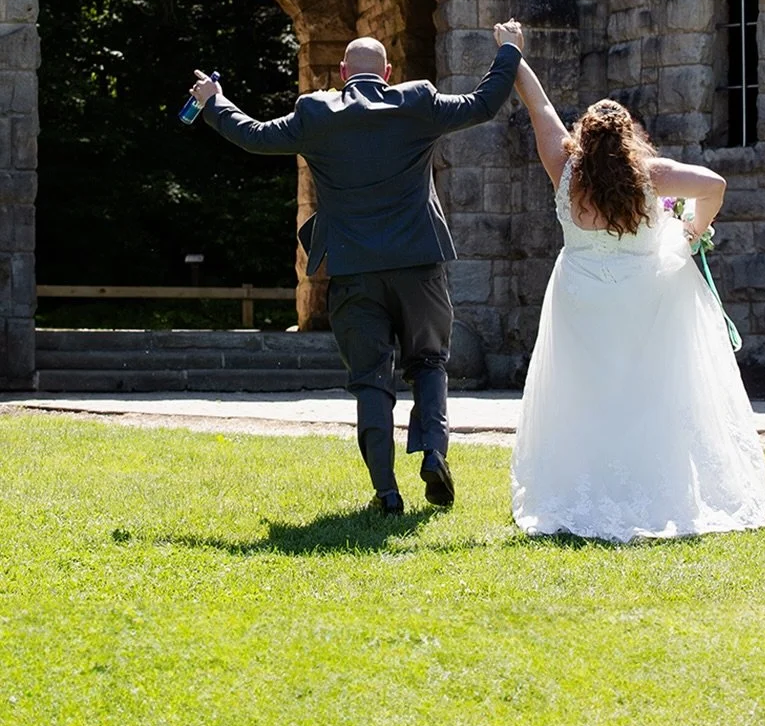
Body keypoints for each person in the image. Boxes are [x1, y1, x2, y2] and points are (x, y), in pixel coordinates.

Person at [186, 28, 523, 515]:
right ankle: (432, 453)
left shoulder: (315, 113)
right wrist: (509, 49)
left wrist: (215, 102)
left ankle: (386, 492)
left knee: (370, 379)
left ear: (343, 75)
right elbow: (484, 102)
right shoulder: (418, 102)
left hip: (354, 270)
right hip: (418, 267)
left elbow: (253, 135)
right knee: (428, 363)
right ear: (387, 75)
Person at [503, 24, 765, 542]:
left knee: (585, 395)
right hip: (646, 299)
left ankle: (586, 488)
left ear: (582, 139)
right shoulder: (653, 176)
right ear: (629, 137)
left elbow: (539, 109)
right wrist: (692, 230)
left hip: (582, 301)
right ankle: (658, 487)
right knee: (650, 393)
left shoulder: (563, 170)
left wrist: (514, 55)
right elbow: (716, 185)